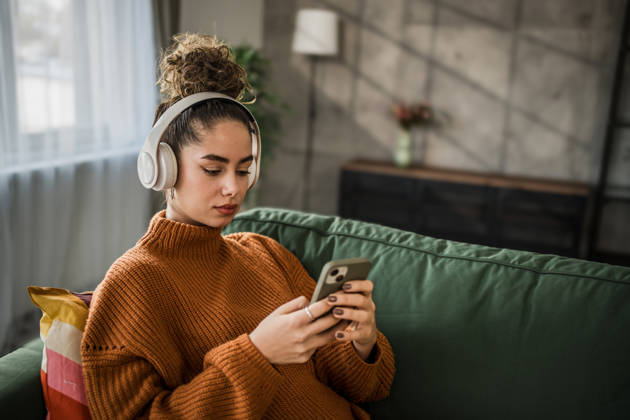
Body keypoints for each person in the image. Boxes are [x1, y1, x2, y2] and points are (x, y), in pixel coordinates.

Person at [80, 33, 395, 419]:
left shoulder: (265, 254)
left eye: (244, 170)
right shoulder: (132, 285)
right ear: (162, 167)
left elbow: (366, 387)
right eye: (213, 169)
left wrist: (362, 341)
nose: (233, 187)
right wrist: (259, 355)